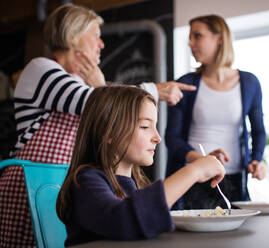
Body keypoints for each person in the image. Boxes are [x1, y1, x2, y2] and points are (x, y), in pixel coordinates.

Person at [0, 4, 195, 247]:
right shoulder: (41, 68)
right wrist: (154, 90)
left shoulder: (79, 83)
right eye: (95, 35)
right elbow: (96, 105)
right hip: (29, 186)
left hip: (58, 184)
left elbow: (105, 104)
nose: (101, 44)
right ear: (72, 35)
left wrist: (102, 86)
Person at [56, 86, 225, 246]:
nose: (157, 137)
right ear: (107, 132)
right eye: (145, 126)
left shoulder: (136, 183)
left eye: (155, 127)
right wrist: (193, 171)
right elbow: (123, 221)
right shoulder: (85, 181)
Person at [165, 14, 266, 210]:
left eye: (197, 36)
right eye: (190, 37)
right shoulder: (186, 83)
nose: (190, 43)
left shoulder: (249, 83)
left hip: (236, 179)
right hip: (194, 179)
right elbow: (172, 138)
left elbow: (259, 130)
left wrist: (256, 159)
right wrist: (202, 161)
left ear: (219, 38)